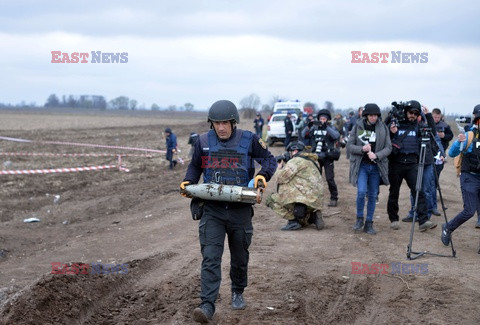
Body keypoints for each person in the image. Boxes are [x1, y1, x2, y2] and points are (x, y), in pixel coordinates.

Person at [180, 100, 277, 323]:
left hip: (240, 209)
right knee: (211, 257)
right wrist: (188, 182)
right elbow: (195, 166)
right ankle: (207, 305)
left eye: (225, 123)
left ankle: (238, 291)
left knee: (240, 256)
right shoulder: (203, 141)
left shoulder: (249, 139)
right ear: (211, 124)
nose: (221, 127)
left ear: (233, 122)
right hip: (212, 210)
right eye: (216, 123)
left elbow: (269, 161)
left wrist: (262, 176)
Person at [386, 100, 437, 231]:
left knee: (418, 191)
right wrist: (391, 128)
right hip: (396, 163)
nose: (412, 115)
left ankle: (423, 220)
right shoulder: (395, 124)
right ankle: (394, 219)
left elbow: (431, 133)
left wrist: (429, 116)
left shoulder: (418, 126)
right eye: (410, 113)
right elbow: (384, 134)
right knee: (394, 192)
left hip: (412, 163)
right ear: (405, 112)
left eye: (415, 113)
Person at [347, 103, 392, 234]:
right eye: (371, 115)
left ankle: (369, 223)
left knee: (372, 195)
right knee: (361, 192)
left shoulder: (383, 128)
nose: (374, 118)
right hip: (362, 166)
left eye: (376, 115)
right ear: (366, 115)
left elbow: (388, 147)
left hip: (376, 167)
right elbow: (349, 146)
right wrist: (362, 149)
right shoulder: (358, 126)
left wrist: (377, 155)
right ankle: (359, 219)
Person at [442, 104, 480, 246]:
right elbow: (451, 153)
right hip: (469, 177)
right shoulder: (469, 136)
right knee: (469, 211)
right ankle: (448, 228)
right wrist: (459, 141)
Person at [265, 141, 324, 231]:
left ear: (295, 151)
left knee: (270, 199)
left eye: (290, 153)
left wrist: (279, 167)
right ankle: (312, 216)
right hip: (316, 201)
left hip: (303, 200)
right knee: (296, 184)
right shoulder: (313, 161)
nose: (289, 155)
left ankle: (293, 221)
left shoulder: (296, 161)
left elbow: (280, 178)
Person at [403, 108, 444, 222]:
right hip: (414, 163)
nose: (416, 117)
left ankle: (427, 214)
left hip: (427, 162)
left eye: (418, 115)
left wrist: (428, 115)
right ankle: (413, 213)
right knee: (414, 190)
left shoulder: (426, 128)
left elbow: (435, 135)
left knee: (426, 190)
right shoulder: (410, 128)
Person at [303, 109, 340, 207]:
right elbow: (303, 135)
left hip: (328, 157)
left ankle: (334, 197)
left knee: (329, 178)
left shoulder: (331, 128)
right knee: (314, 178)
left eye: (324, 119)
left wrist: (326, 128)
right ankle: (313, 197)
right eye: (320, 118)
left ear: (327, 119)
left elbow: (336, 136)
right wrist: (308, 126)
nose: (322, 120)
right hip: (316, 157)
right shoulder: (314, 128)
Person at [431, 108, 453, 216]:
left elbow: (451, 136)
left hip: (440, 156)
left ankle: (434, 206)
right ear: (432, 115)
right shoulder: (427, 124)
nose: (436, 119)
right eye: (435, 117)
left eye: (438, 117)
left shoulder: (445, 125)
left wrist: (444, 136)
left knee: (435, 182)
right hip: (429, 155)